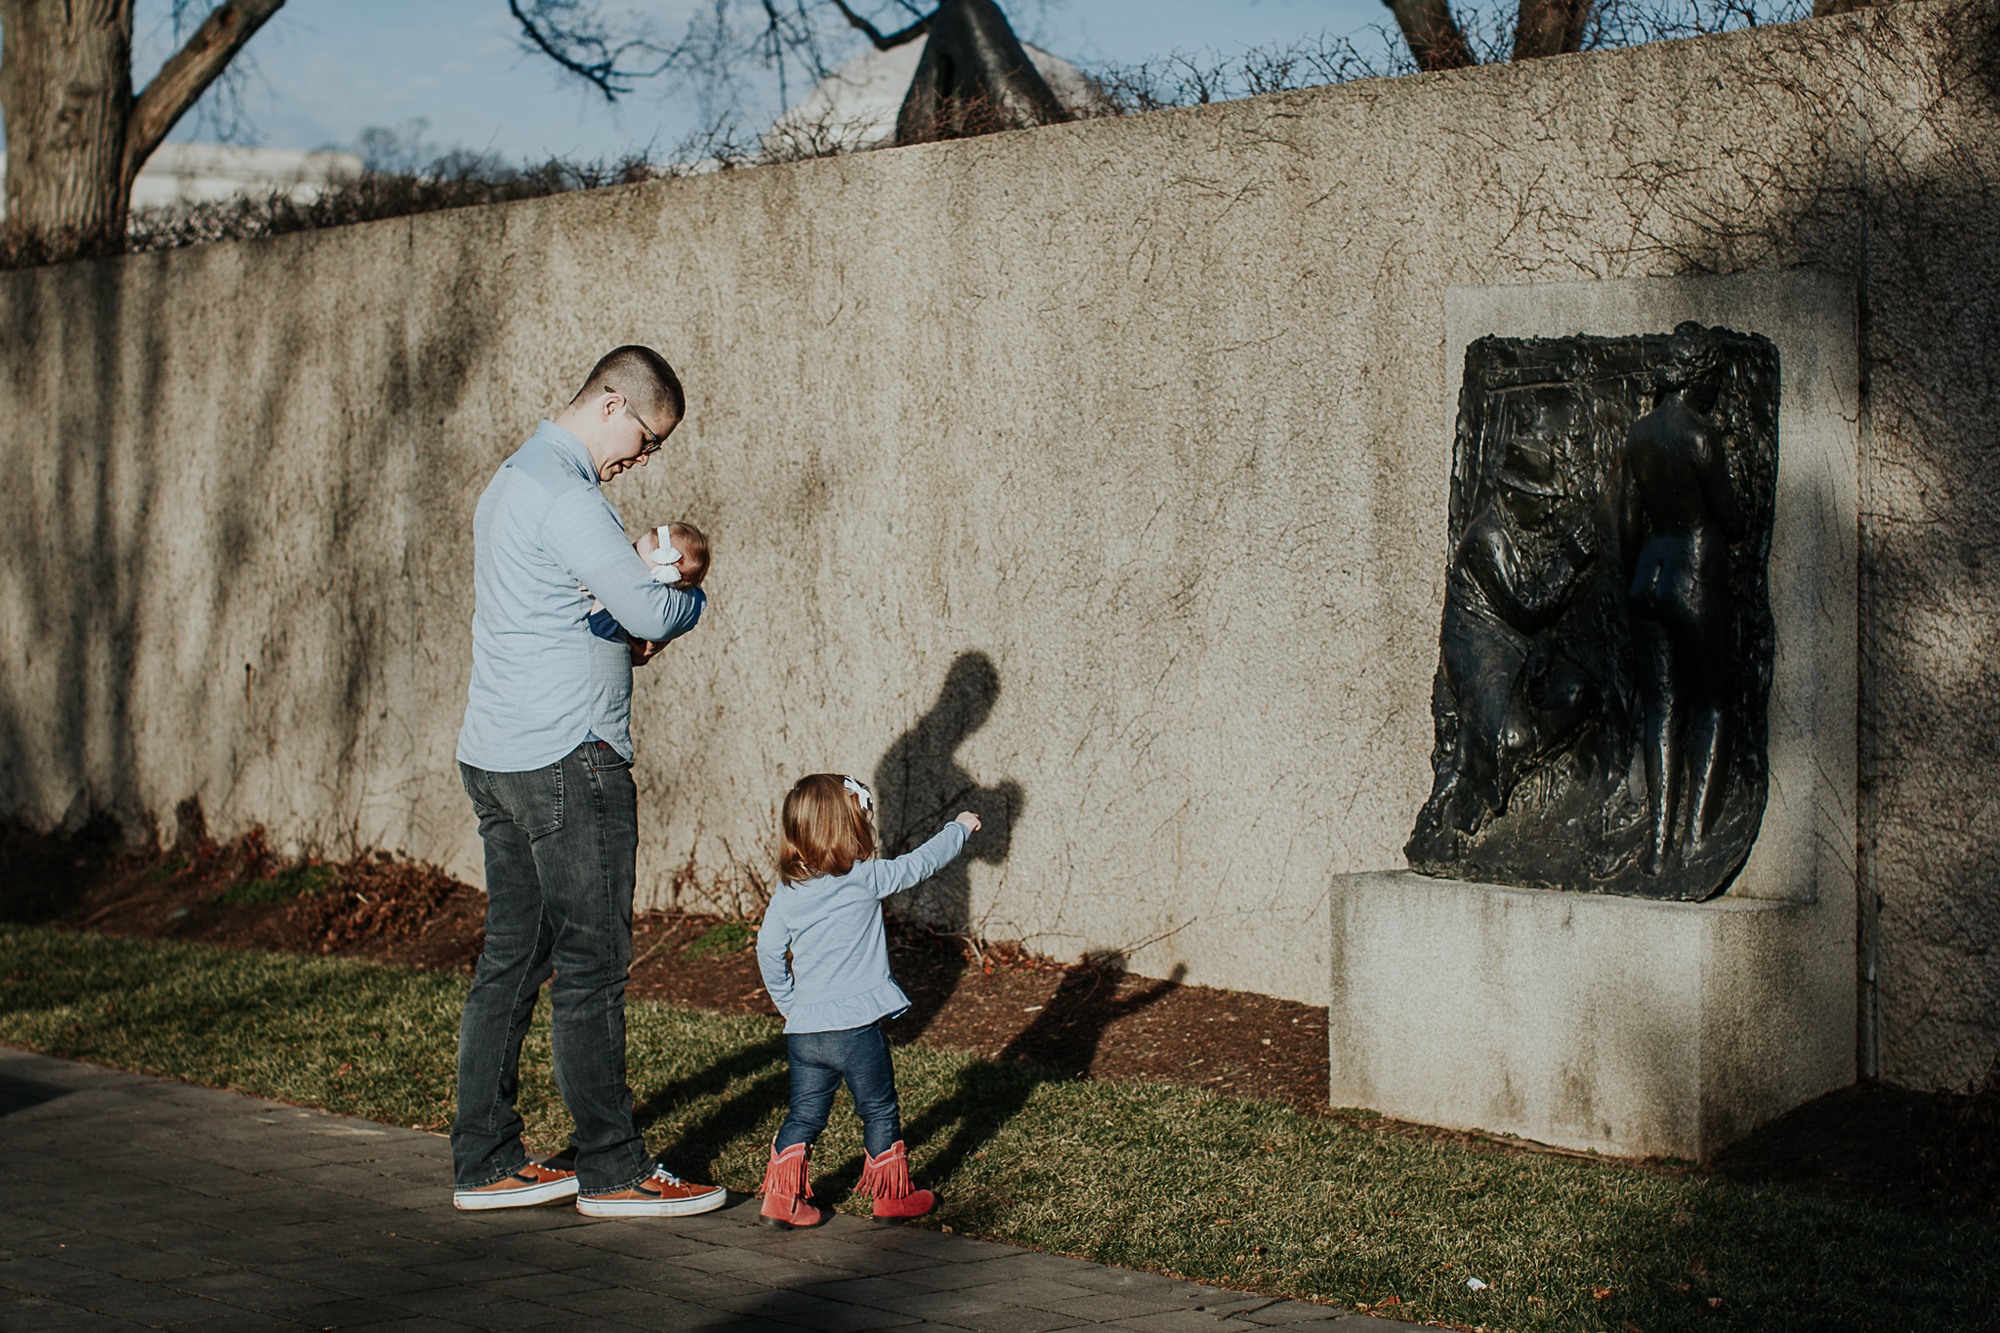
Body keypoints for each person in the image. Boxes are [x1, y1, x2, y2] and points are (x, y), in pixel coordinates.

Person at [451, 345, 726, 1217]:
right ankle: (614, 1168)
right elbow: (649, 609)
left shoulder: (510, 481)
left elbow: (562, 614)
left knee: (511, 961)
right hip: (570, 760)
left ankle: (486, 1159)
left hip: (497, 753)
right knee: (591, 965)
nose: (642, 460)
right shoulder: (570, 497)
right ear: (612, 403)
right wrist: (693, 602)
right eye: (646, 439)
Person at [754, 774, 980, 1229]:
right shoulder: (865, 878)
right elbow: (921, 863)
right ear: (850, 829)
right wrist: (958, 827)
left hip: (806, 1033)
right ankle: (890, 1198)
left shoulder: (788, 894)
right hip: (856, 1031)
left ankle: (781, 1201)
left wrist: (790, 1005)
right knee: (878, 1109)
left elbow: (767, 951)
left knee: (804, 1116)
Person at [587, 521, 710, 644]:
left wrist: (604, 586)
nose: (627, 559)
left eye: (637, 564)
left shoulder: (643, 602)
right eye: (634, 546)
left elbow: (600, 627)